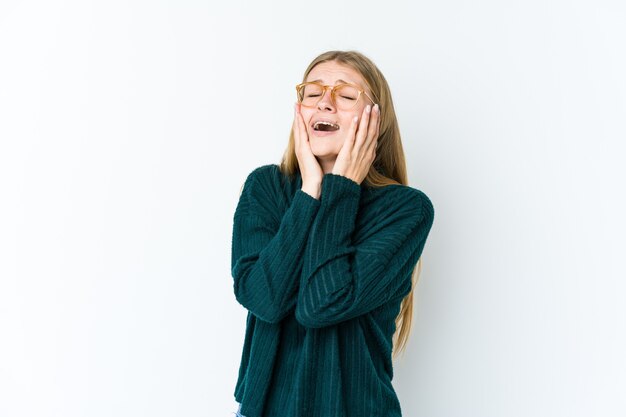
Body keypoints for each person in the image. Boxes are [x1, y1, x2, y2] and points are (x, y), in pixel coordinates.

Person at [230, 50, 435, 417]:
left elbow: (319, 306)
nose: (325, 102)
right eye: (312, 93)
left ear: (376, 120)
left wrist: (340, 188)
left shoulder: (406, 210)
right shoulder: (265, 187)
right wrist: (310, 191)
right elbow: (264, 299)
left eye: (345, 95)